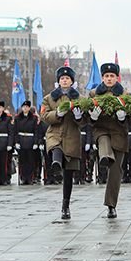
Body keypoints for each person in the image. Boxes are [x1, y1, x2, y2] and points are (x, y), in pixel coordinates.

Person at [41, 66, 88, 219]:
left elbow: (84, 121)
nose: (65, 81)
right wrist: (57, 114)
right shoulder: (49, 98)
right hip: (55, 132)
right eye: (62, 79)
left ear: (72, 81)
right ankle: (56, 165)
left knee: (68, 175)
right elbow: (44, 116)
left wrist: (79, 116)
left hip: (72, 136)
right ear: (58, 81)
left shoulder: (80, 99)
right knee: (55, 147)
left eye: (67, 79)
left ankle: (65, 205)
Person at [90, 62, 129, 219]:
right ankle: (105, 157)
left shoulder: (125, 95)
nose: (109, 79)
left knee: (115, 171)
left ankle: (111, 205)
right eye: (106, 76)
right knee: (103, 142)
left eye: (112, 76)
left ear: (117, 77)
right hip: (101, 129)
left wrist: (123, 117)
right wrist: (93, 116)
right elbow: (88, 116)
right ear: (102, 77)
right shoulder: (94, 94)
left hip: (119, 132)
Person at [14, 100, 40, 185]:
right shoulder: (18, 118)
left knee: (30, 161)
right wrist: (16, 142)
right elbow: (16, 131)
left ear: (29, 108)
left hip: (30, 141)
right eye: (24, 107)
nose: (25, 108)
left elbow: (36, 131)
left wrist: (36, 142)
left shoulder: (34, 118)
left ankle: (29, 178)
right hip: (21, 140)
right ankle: (23, 178)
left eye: (27, 107)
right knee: (22, 161)